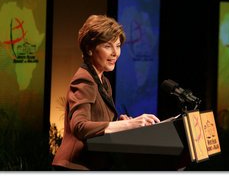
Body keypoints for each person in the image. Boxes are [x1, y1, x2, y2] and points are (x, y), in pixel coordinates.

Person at [52, 15, 160, 170]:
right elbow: (80, 127)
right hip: (75, 165)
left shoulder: (104, 81)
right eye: (108, 46)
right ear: (90, 49)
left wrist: (119, 123)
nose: (115, 53)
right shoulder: (84, 79)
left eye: (118, 45)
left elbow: (97, 123)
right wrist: (129, 124)